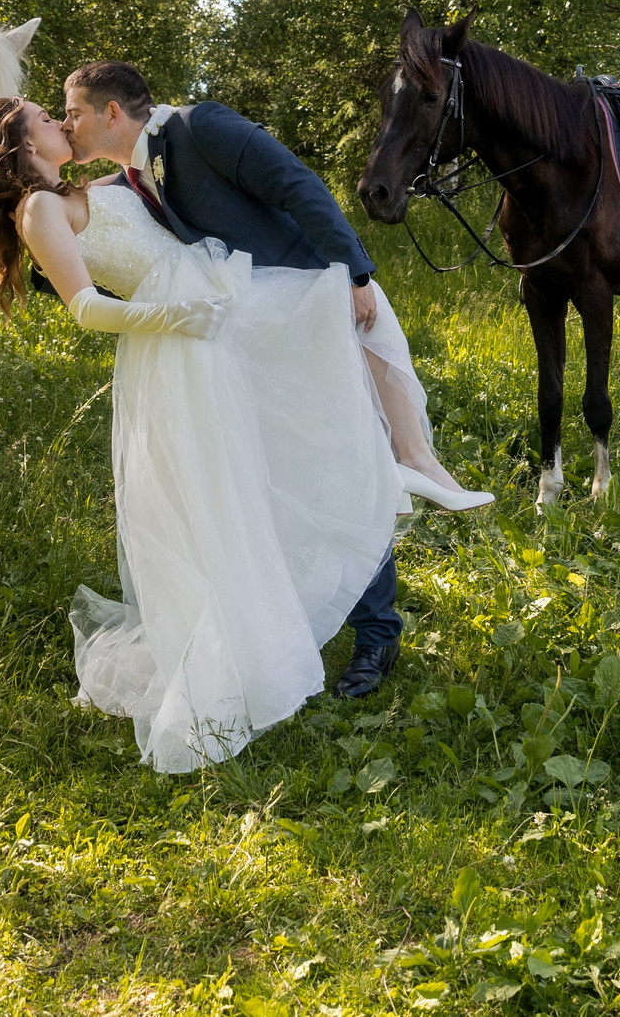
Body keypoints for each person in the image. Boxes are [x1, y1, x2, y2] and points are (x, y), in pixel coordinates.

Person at [0, 97, 409, 771]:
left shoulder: (91, 186)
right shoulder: (38, 210)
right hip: (181, 341)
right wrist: (174, 317)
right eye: (45, 118)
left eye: (65, 110)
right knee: (231, 490)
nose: (59, 119)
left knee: (307, 446)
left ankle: (366, 606)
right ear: (22, 146)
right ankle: (257, 642)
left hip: (219, 314)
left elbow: (152, 170)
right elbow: (84, 305)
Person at [58, 61, 490, 702]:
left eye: (73, 112)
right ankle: (304, 612)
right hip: (251, 332)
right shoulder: (133, 178)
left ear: (112, 113)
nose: (67, 124)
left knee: (345, 461)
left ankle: (377, 637)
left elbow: (296, 184)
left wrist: (354, 273)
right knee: (289, 473)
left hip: (317, 301)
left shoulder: (202, 128)